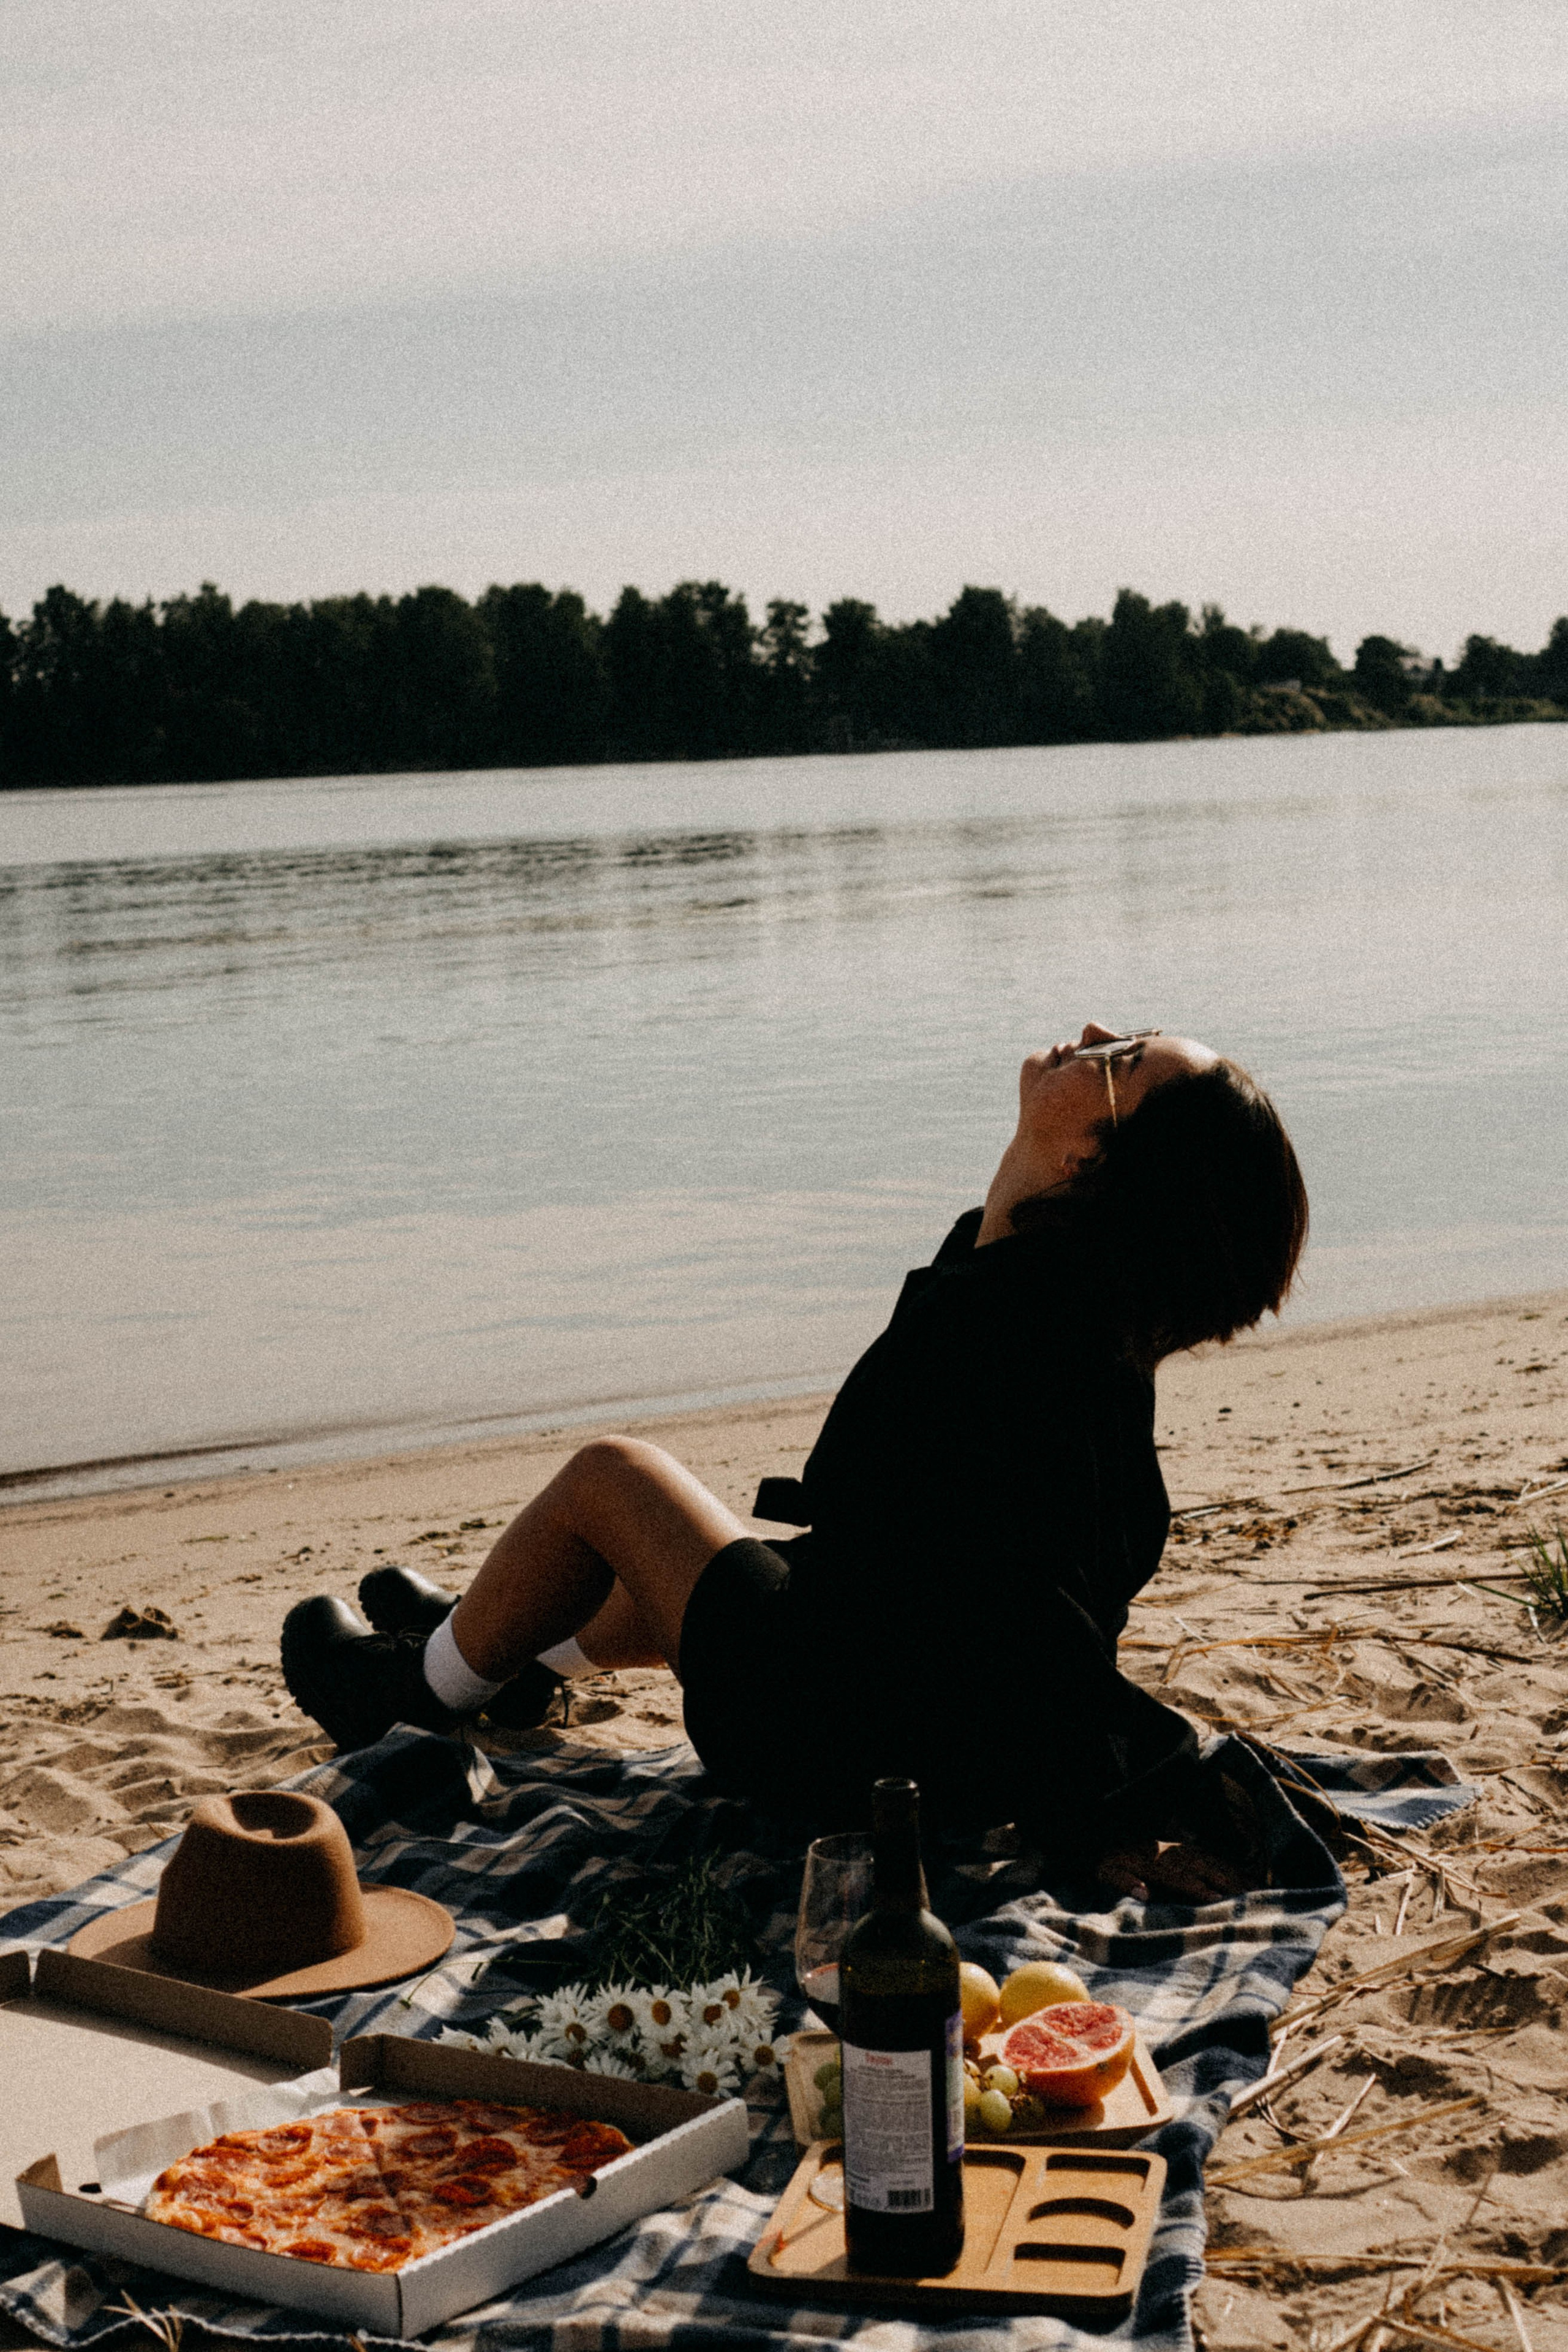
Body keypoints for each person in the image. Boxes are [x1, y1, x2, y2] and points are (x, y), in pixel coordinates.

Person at [282, 1023, 1307, 1895]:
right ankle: (504, 1652)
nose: (1090, 1035)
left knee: (614, 1480)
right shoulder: (1048, 1318)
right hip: (898, 1705)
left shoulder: (1009, 1347)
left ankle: (416, 1692)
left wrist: (1128, 1795)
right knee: (737, 1568)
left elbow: (1036, 1620)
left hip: (830, 1736)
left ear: (1090, 1163)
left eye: (1121, 1059)